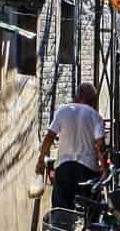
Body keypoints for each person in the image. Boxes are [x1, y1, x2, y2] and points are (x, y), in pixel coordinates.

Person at [39, 82, 108, 215]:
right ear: (93, 100)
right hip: (87, 169)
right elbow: (100, 147)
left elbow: (49, 137)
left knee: (62, 211)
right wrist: (104, 171)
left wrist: (41, 160)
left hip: (64, 167)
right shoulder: (95, 116)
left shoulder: (63, 111)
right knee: (90, 211)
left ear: (78, 95)